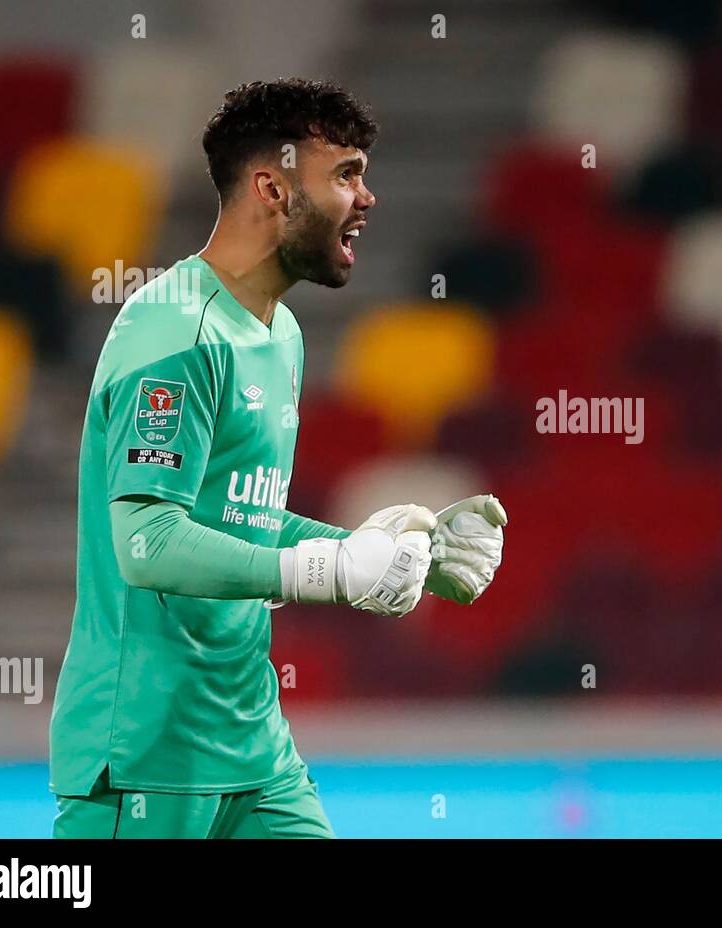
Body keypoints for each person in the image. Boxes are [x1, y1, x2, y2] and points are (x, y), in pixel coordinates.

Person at [48, 78, 507, 838]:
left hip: (254, 753)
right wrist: (331, 573)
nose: (368, 197)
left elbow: (242, 522)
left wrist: (389, 556)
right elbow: (146, 541)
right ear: (272, 186)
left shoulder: (280, 334)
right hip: (146, 760)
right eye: (347, 174)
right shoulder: (171, 330)